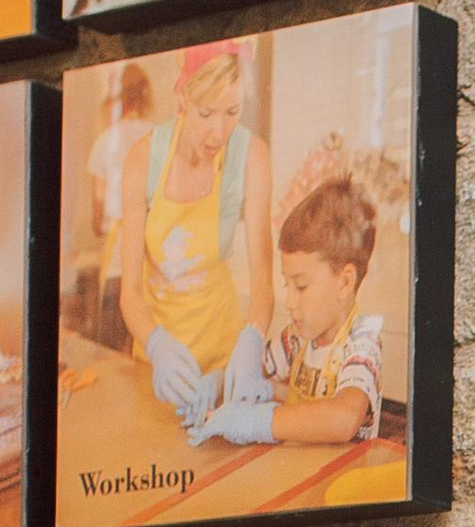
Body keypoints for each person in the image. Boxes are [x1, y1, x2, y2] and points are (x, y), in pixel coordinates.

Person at [116, 42, 271, 432]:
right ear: (182, 97)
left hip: (223, 366)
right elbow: (130, 291)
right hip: (157, 368)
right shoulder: (142, 159)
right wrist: (156, 346)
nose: (219, 131)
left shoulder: (251, 156)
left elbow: (264, 281)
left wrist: (251, 341)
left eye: (232, 112)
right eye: (206, 113)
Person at [197, 174, 388, 449]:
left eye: (301, 286)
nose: (289, 302)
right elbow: (252, 371)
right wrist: (217, 383)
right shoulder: (295, 339)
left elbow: (344, 418)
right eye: (288, 286)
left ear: (345, 282)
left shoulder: (363, 339)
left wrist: (257, 421)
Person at [80, 63, 153, 349]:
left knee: (111, 346)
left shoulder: (104, 143)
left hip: (118, 258)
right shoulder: (159, 135)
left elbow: (97, 220)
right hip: (154, 255)